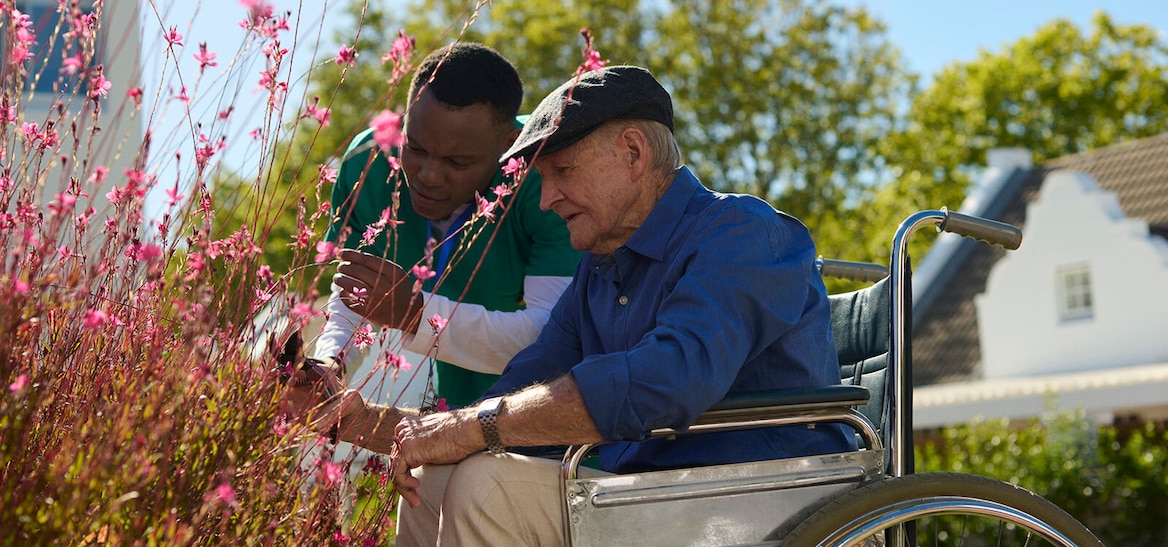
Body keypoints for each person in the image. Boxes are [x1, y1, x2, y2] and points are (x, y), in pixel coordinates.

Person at [295, 65, 857, 546]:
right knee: (435, 474)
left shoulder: (744, 233)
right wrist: (364, 422)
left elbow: (665, 380)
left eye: (562, 172)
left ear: (633, 153)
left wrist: (468, 430)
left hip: (765, 493)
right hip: (647, 495)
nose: (545, 198)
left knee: (483, 482)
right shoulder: (602, 268)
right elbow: (505, 400)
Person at [315, 43, 581, 409]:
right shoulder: (367, 165)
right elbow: (360, 296)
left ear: (509, 145)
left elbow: (553, 338)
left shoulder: (550, 177)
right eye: (416, 148)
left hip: (544, 415)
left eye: (457, 162)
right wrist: (329, 367)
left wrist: (415, 314)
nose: (428, 176)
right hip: (438, 415)